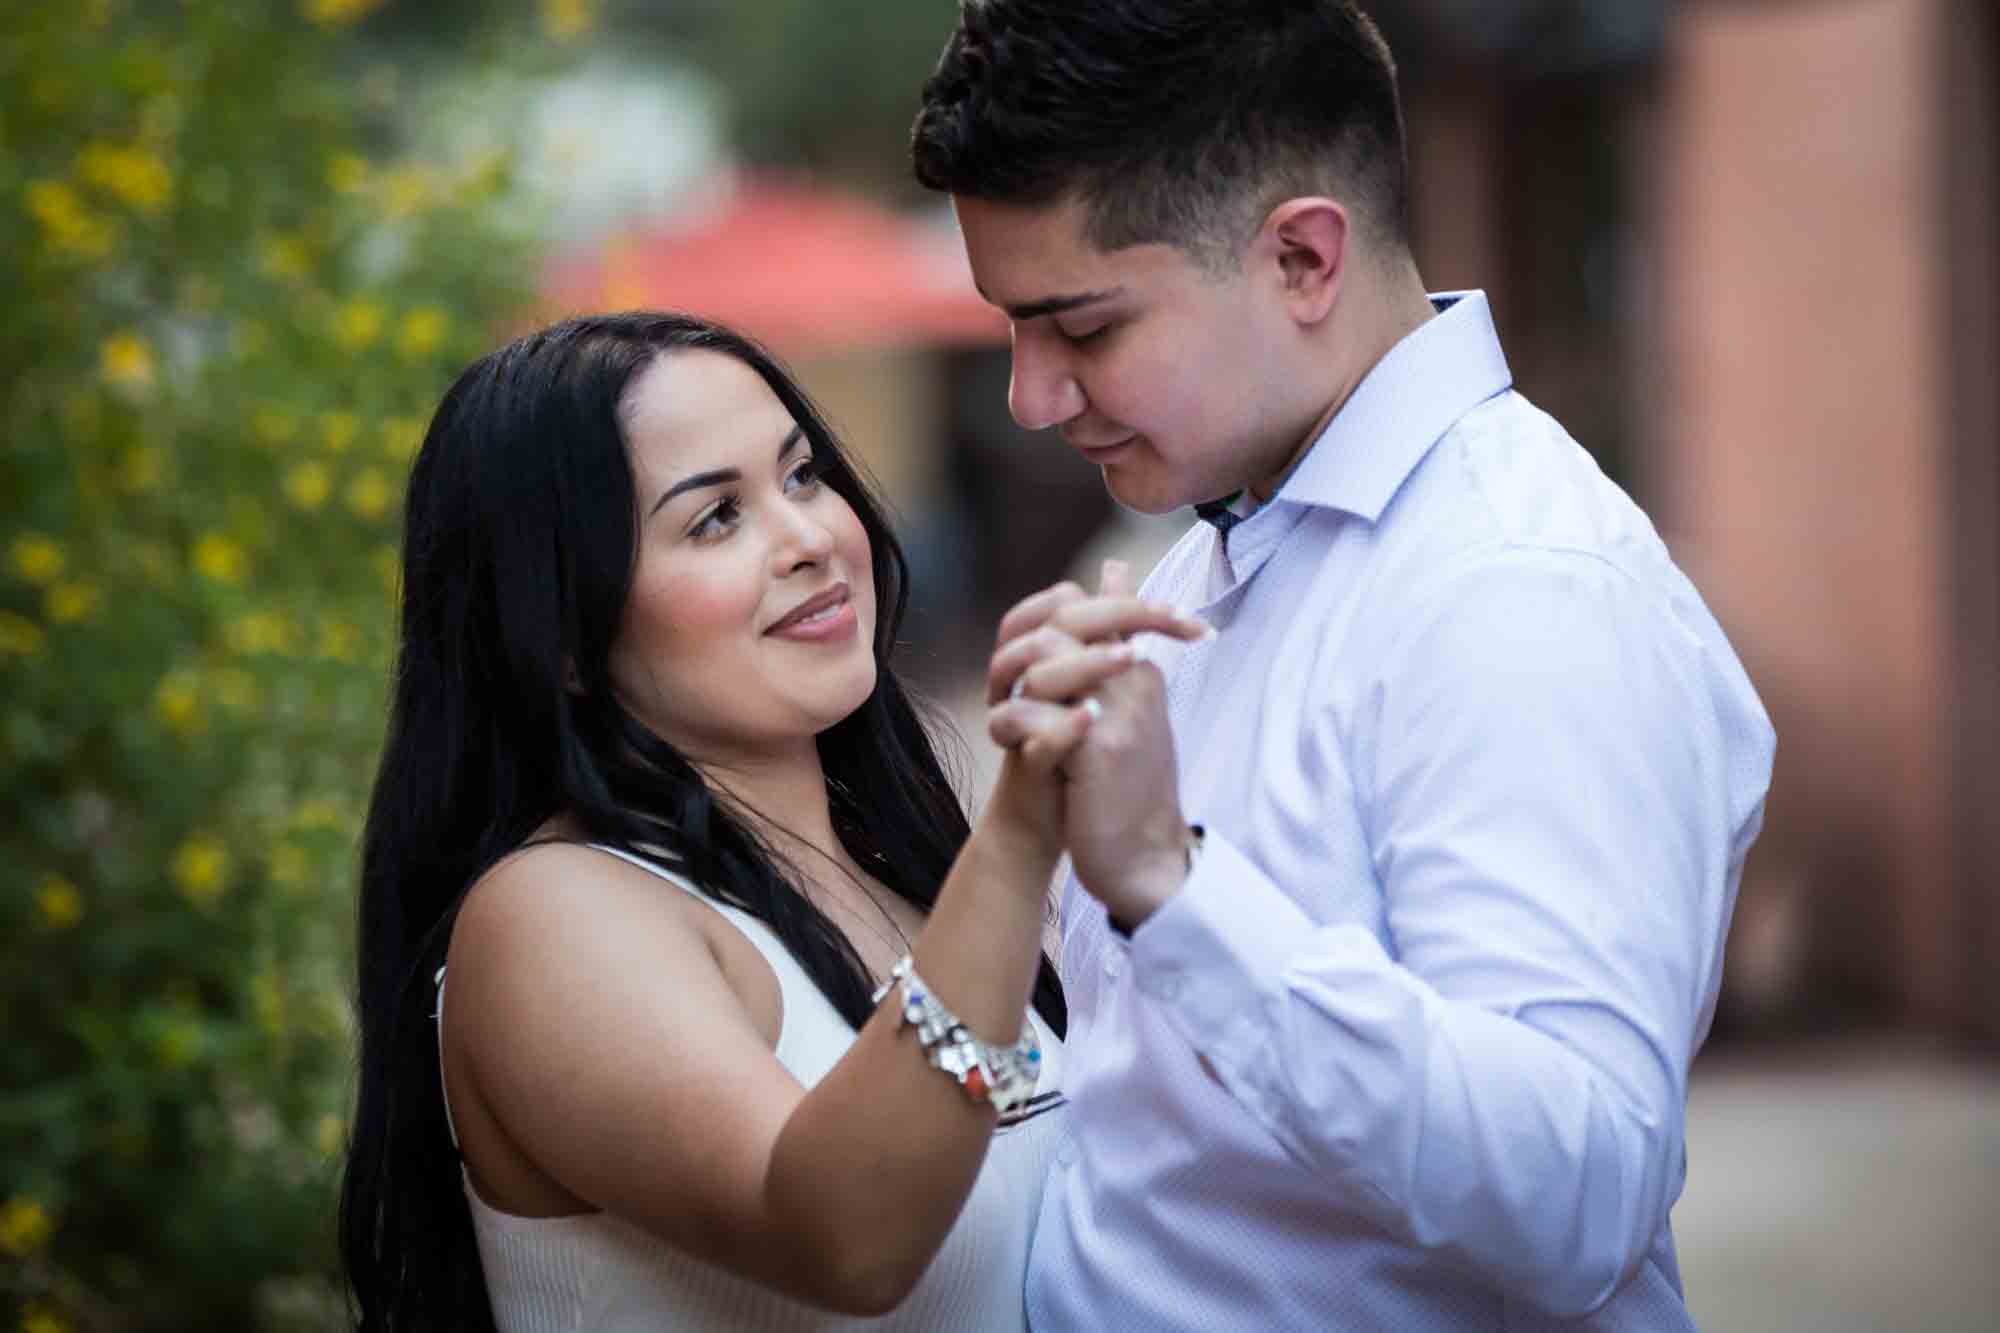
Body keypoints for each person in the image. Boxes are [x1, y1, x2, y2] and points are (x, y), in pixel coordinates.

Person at [912, 2, 1778, 1328]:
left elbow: (1581, 1195)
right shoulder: (1207, 556)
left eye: (1080, 328)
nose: (1031, 396)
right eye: (1013, 331)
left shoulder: (1519, 588)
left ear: (1305, 259)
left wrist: (1176, 892)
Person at [334, 311, 1205, 1331]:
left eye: (800, 476)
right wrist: (1019, 839)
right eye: (714, 518)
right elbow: (846, 1235)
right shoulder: (553, 914)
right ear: (561, 632)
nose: (808, 538)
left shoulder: (908, 873)